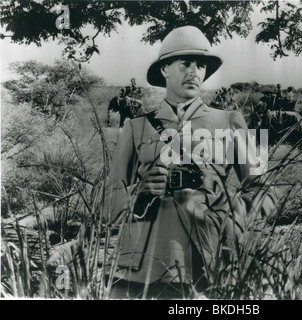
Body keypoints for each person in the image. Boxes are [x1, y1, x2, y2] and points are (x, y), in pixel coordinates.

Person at [103, 26, 277, 299]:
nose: (195, 72)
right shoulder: (135, 127)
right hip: (139, 269)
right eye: (185, 63)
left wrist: (226, 217)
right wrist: (139, 192)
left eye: (201, 65)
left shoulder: (229, 121)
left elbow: (265, 192)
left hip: (205, 264)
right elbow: (107, 204)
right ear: (165, 69)